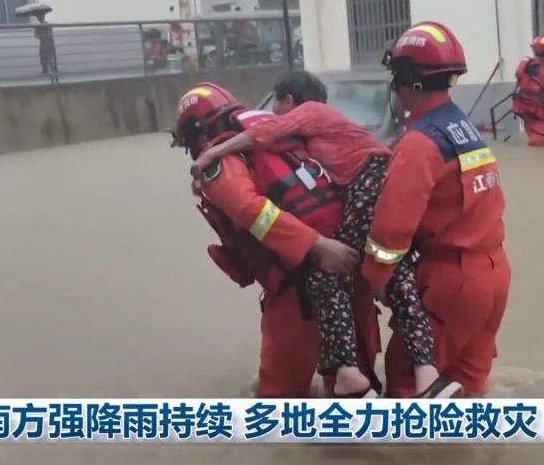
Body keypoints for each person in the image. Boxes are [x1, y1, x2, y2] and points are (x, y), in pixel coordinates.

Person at [191, 71, 460, 399]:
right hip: (374, 208)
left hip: (358, 202)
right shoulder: (306, 144)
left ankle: (349, 375)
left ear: (290, 101)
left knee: (325, 277)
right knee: (399, 279)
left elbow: (257, 171)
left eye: (278, 106)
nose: (274, 114)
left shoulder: (306, 117)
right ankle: (423, 377)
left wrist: (211, 155)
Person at [172, 83, 383, 398]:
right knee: (354, 382)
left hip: (298, 286)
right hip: (349, 264)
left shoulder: (220, 163)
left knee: (278, 399)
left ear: (197, 133)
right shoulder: (279, 134)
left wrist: (317, 245)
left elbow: (252, 211)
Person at [365, 21, 511, 398]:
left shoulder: (419, 144)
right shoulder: (463, 128)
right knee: (468, 385)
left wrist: (377, 278)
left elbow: (391, 229)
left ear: (408, 81)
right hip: (493, 274)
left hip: (451, 282)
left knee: (406, 384)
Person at [512, 35, 544, 147]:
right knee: (538, 144)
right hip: (538, 112)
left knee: (534, 140)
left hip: (526, 110)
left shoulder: (529, 65)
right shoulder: (541, 70)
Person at [34, 13, 57, 80]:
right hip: (45, 42)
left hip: (48, 42)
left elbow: (50, 33)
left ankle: (51, 69)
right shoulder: (38, 26)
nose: (40, 18)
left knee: (49, 55)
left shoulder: (46, 25)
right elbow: (36, 35)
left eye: (41, 16)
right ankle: (47, 69)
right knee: (44, 56)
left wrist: (42, 36)